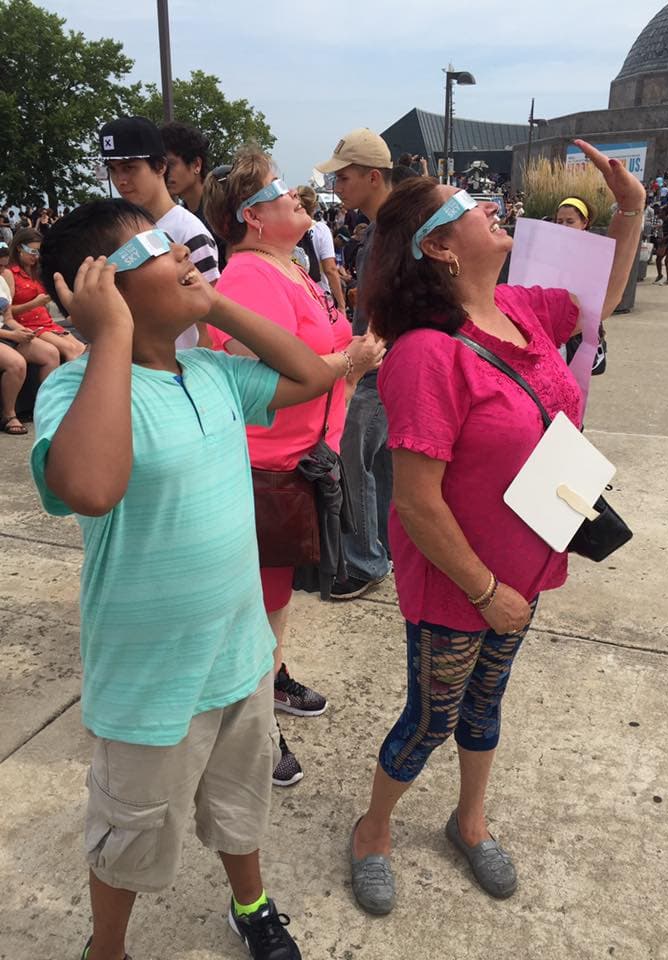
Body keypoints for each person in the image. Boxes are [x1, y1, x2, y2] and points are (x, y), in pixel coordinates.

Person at [34, 197, 339, 960]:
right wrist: (107, 340)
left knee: (241, 803)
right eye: (163, 253)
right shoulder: (77, 393)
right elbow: (92, 488)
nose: (186, 258)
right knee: (129, 835)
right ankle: (108, 947)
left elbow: (310, 373)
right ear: (108, 289)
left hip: (238, 656)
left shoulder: (213, 374)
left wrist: (216, 300)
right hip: (151, 682)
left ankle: (252, 903)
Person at [346, 140, 645, 916]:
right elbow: (416, 501)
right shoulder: (423, 355)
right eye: (463, 207)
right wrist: (485, 593)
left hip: (530, 558)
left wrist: (632, 212)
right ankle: (372, 832)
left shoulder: (517, 309)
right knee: (431, 716)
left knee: (486, 703)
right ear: (438, 247)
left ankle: (468, 821)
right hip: (461, 580)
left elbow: (598, 303)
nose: (485, 206)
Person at [202, 148, 385, 786]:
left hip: (304, 455)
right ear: (253, 217)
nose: (300, 202)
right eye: (284, 198)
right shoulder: (249, 278)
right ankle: (255, 719)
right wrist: (354, 362)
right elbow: (276, 373)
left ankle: (271, 680)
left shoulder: (291, 266)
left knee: (276, 594)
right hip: (268, 464)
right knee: (259, 599)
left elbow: (317, 348)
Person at [315, 128, 395, 600]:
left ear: (371, 177)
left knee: (353, 462)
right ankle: (380, 548)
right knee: (379, 464)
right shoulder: (390, 229)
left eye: (343, 177)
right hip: (383, 363)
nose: (336, 186)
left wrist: (360, 364)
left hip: (376, 364)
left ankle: (366, 559)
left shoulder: (390, 234)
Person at [98, 115, 220, 348]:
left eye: (130, 168)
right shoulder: (117, 231)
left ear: (160, 166)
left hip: (180, 369)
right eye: (113, 169)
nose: (121, 180)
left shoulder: (189, 232)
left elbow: (211, 322)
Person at [3, 229, 85, 361]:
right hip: (28, 325)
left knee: (80, 347)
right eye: (32, 252)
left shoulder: (36, 271)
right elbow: (8, 312)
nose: (35, 257)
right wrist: (34, 303)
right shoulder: (10, 273)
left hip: (46, 322)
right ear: (19, 248)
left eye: (38, 252)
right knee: (70, 350)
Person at [160, 120, 227, 271]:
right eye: (160, 165)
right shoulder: (183, 215)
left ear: (197, 165)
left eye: (171, 164)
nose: (164, 172)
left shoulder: (220, 214)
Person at [0, 265, 60, 434]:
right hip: (5, 335)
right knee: (16, 363)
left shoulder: (2, 281)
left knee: (50, 354)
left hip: (7, 331)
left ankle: (45, 406)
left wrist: (21, 330)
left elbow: (8, 318)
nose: (3, 269)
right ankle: (9, 414)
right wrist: (13, 335)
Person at [554, 196, 607, 374]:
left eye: (570, 221)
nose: (563, 226)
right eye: (559, 221)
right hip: (553, 320)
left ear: (584, 223)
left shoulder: (594, 251)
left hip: (578, 324)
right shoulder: (547, 246)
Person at [296, 186, 346, 312]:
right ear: (314, 206)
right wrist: (341, 304)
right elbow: (330, 269)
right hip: (318, 294)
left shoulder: (288, 228)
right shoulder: (321, 230)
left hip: (295, 294)